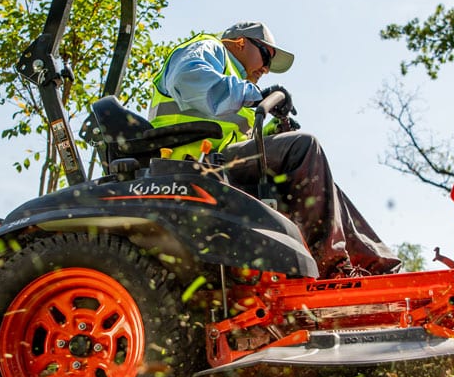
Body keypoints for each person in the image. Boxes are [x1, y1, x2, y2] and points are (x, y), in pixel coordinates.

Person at [148, 21, 401, 278]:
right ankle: (331, 268)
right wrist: (256, 95)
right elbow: (190, 80)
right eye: (266, 55)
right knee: (304, 147)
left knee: (319, 181)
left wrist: (276, 133)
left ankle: (380, 270)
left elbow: (235, 136)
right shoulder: (208, 48)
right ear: (241, 42)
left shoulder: (236, 85)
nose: (267, 69)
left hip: (217, 161)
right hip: (187, 163)